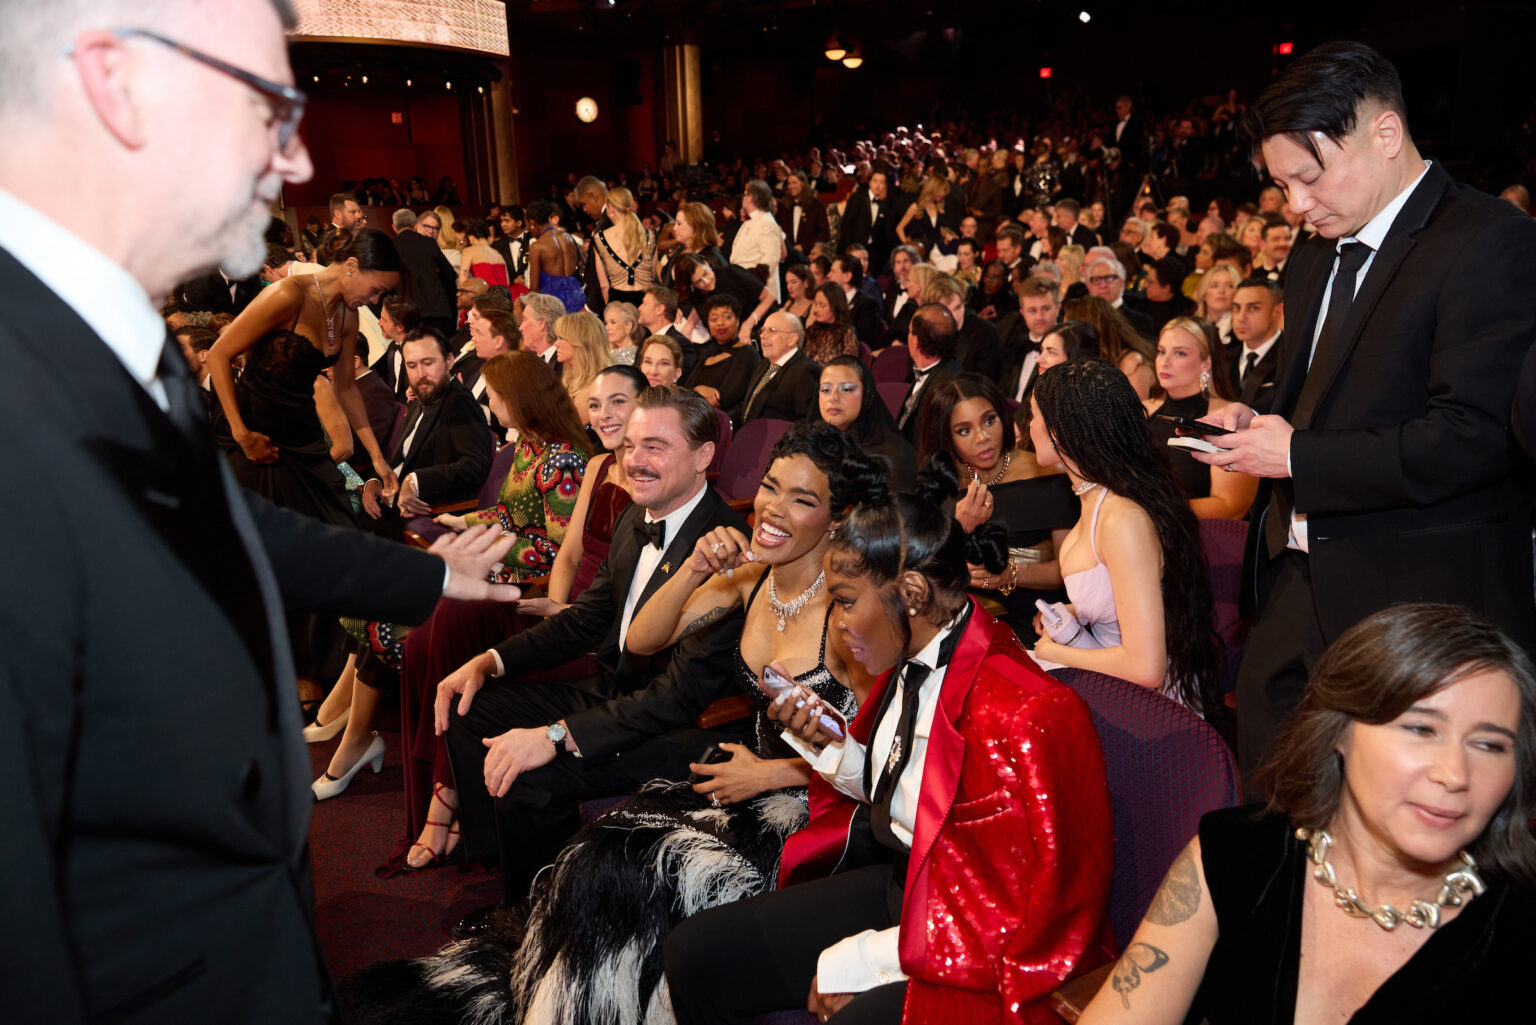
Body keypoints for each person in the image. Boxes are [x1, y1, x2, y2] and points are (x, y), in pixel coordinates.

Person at [0, 2, 525, 1020]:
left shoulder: (104, 326)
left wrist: (428, 574)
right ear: (115, 85)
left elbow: (215, 525)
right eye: (264, 107)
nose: (291, 161)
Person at [430, 423, 879, 1024]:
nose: (773, 508)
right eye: (772, 487)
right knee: (596, 854)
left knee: (625, 864)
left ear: (836, 516)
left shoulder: (851, 608)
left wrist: (771, 776)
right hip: (744, 764)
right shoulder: (751, 577)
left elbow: (880, 758)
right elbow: (642, 638)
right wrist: (693, 567)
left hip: (815, 805)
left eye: (803, 500)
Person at [1192, 42, 1536, 784]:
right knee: (1276, 783)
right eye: (1283, 185)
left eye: (1309, 178)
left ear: (1384, 135)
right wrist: (1252, 423)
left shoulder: (1489, 242)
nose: (1297, 205)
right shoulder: (1315, 253)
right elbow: (1311, 392)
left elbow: (1474, 438)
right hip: (1300, 575)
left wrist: (1298, 458)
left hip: (1418, 593)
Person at [665, 476, 1115, 1025]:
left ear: (914, 595)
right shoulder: (907, 657)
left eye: (846, 603)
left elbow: (1028, 912)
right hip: (909, 886)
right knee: (696, 953)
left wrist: (857, 962)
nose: (840, 626)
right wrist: (826, 741)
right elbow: (898, 795)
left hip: (976, 935)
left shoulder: (1027, 712)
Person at [1079, 603, 1536, 1025]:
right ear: (1338, 731)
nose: (1456, 774)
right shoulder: (1232, 857)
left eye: (1489, 745)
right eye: (1421, 729)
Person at [437, 387, 753, 930]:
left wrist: (556, 734)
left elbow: (675, 698)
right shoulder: (638, 513)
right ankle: (513, 867)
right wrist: (490, 660)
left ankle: (537, 924)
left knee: (535, 775)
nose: (633, 460)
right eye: (629, 445)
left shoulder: (725, 551)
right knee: (473, 705)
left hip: (676, 726)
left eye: (654, 445)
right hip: (617, 688)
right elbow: (585, 619)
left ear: (704, 457)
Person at [384, 365, 645, 873]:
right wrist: (556, 610)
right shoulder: (593, 467)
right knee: (439, 628)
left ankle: (445, 803)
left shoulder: (631, 474)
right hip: (563, 607)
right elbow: (567, 554)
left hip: (600, 626)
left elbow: (625, 583)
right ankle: (439, 793)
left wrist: (563, 612)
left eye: (619, 402)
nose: (605, 415)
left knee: (459, 623)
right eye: (596, 405)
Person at [313, 351, 589, 799]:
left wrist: (480, 552)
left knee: (388, 615)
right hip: (496, 572)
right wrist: (468, 525)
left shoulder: (563, 460)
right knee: (374, 603)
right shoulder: (527, 448)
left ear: (518, 400)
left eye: (495, 396)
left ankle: (360, 739)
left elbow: (556, 552)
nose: (491, 405)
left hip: (515, 592)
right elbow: (507, 513)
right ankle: (354, 733)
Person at [1027, 359, 1219, 715]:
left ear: (1061, 428)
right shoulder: (1094, 497)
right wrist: (1075, 614)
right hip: (1112, 688)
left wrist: (1053, 653)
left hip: (1149, 713)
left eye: (1035, 415)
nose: (1029, 426)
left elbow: (1146, 668)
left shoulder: (1121, 519)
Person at [920, 373, 1077, 643]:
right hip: (958, 623)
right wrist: (961, 526)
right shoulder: (942, 482)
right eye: (964, 430)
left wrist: (1009, 574)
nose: (982, 437)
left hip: (1036, 624)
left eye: (989, 420)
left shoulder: (1046, 474)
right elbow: (921, 568)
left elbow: (1067, 573)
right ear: (946, 436)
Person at [1144, 317, 1258, 519]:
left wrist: (1152, 513)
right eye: (1161, 351)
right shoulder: (1143, 410)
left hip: (1204, 540)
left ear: (1206, 363)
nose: (1164, 361)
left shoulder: (1228, 419)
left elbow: (1232, 507)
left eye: (1180, 353)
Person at [813, 354, 918, 491]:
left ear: (867, 393)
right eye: (826, 390)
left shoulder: (892, 456)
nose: (833, 398)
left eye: (846, 389)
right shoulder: (813, 443)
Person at [672, 251, 775, 345]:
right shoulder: (697, 294)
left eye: (705, 273)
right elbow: (698, 310)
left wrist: (749, 323)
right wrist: (688, 327)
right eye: (698, 281)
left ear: (706, 263)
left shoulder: (731, 273)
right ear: (691, 284)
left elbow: (769, 297)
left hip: (763, 327)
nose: (706, 281)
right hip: (734, 340)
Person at [1065, 294, 1157, 398]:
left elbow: (1136, 412)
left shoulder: (1131, 362)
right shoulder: (1082, 358)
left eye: (1069, 327)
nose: (1066, 334)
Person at [593, 186, 657, 306]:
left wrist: (610, 310)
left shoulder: (600, 239)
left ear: (610, 208)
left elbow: (604, 285)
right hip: (646, 303)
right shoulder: (650, 236)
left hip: (617, 303)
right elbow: (651, 276)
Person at [525, 200, 587, 314]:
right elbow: (586, 265)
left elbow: (534, 289)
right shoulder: (569, 238)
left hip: (552, 306)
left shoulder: (537, 246)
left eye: (527, 225)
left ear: (532, 223)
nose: (527, 229)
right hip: (578, 300)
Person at [552, 310, 615, 420]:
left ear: (581, 342)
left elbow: (568, 429)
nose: (556, 344)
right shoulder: (570, 381)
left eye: (561, 338)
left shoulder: (597, 387)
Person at [804, 280, 862, 365]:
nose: (816, 310)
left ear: (835, 306)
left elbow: (849, 368)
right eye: (815, 304)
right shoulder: (812, 331)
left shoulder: (846, 333)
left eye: (822, 305)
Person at [457, 218, 509, 290]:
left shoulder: (468, 251)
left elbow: (463, 281)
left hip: (483, 298)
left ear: (470, 237)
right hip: (503, 298)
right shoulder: (499, 255)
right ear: (489, 238)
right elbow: (507, 283)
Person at [602, 299, 644, 365]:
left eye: (613, 322)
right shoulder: (604, 354)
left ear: (628, 326)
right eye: (606, 323)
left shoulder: (640, 356)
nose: (606, 328)